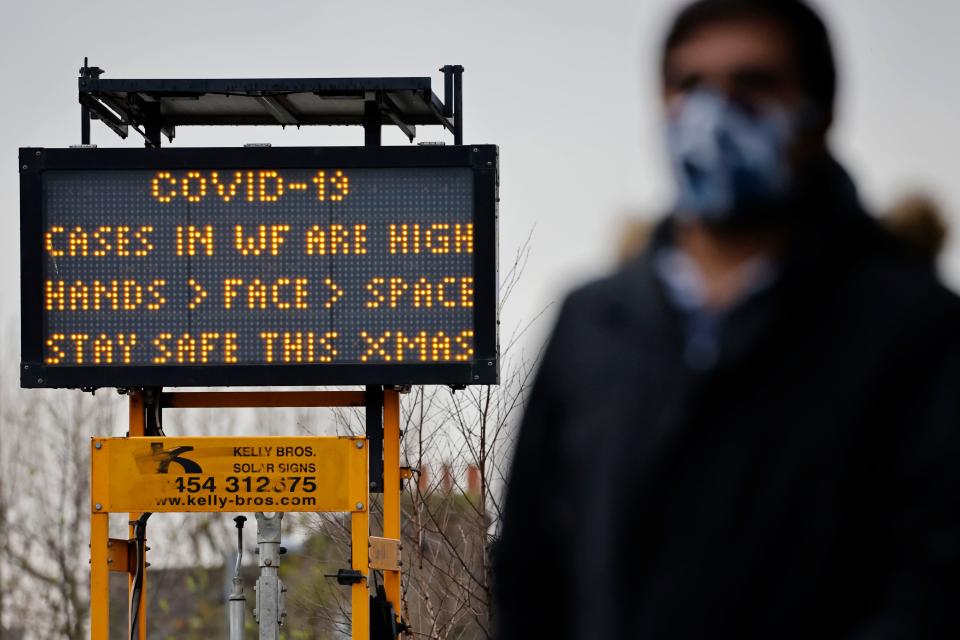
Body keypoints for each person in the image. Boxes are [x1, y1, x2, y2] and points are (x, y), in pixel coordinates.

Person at [494, 1, 960, 638]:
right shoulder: (593, 324)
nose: (716, 113)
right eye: (691, 85)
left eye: (754, 84)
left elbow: (933, 575)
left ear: (816, 114)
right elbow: (530, 573)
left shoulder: (910, 326)